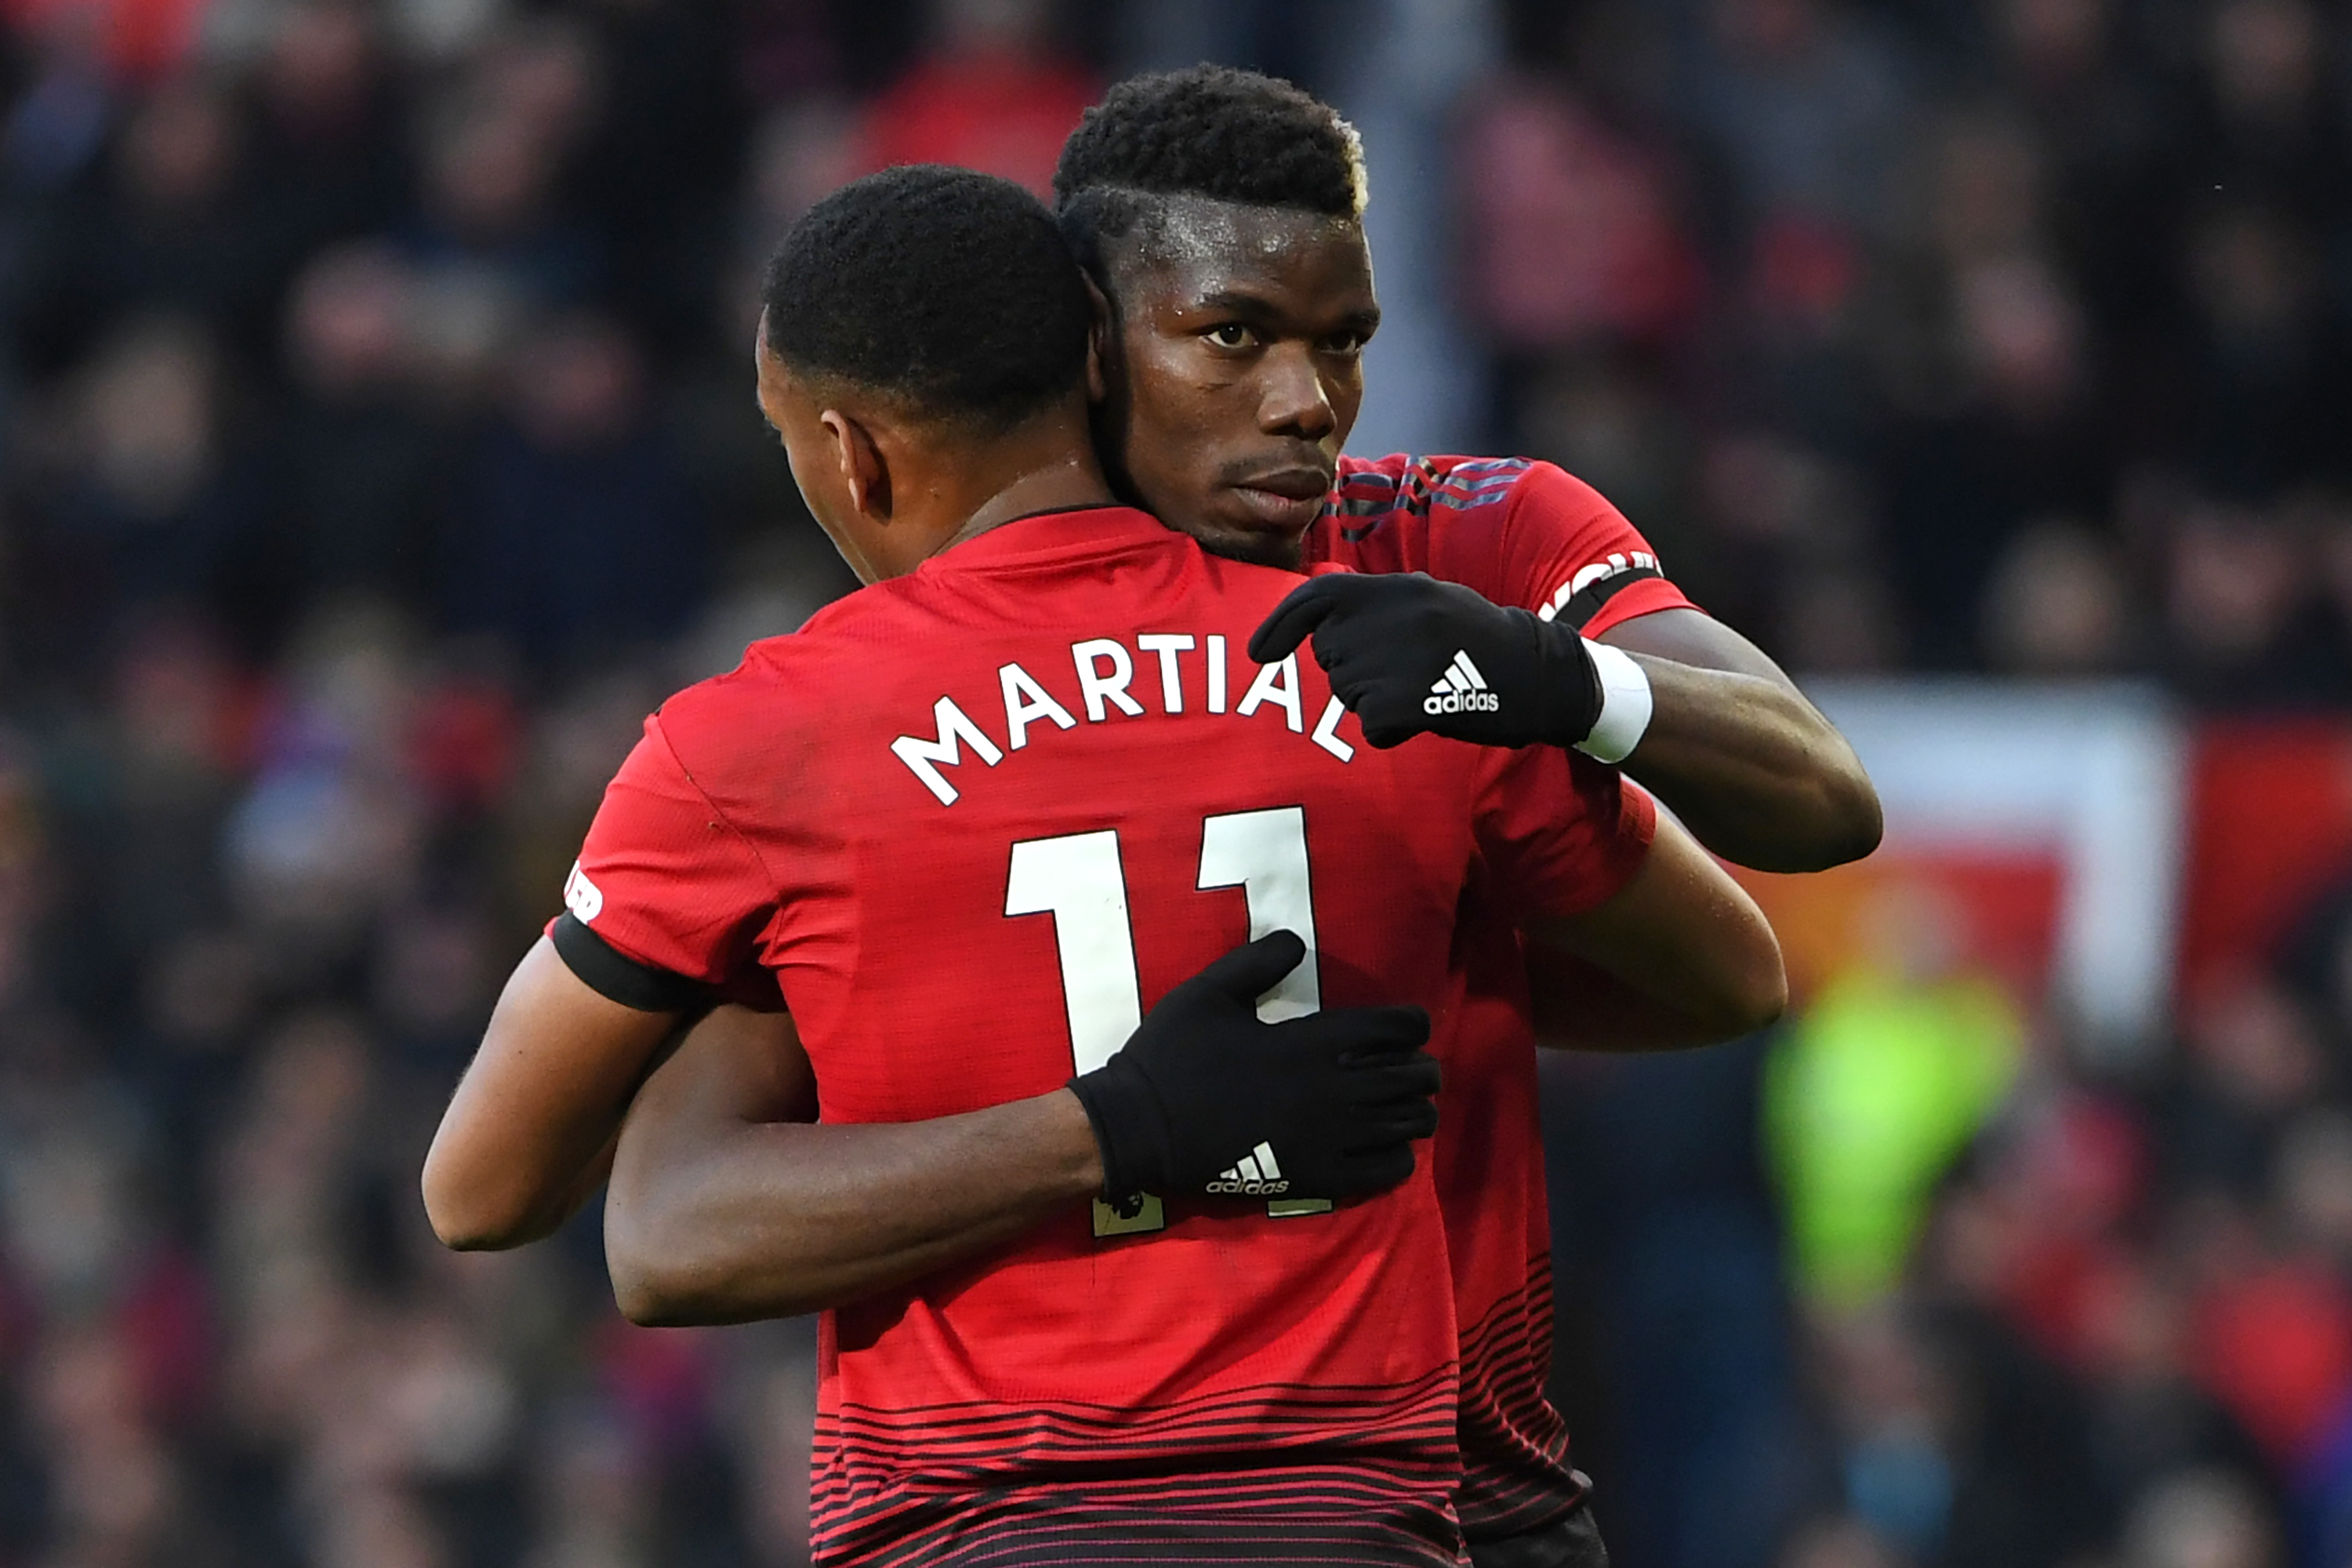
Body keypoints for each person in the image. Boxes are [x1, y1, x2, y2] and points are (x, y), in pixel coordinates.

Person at [427, 165, 1784, 1563]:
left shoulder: (761, 750)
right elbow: (1732, 974)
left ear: (852, 452)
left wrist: (1090, 1124)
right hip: (1368, 1519)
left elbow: (489, 1193)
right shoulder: (1385, 658)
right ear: (1095, 363)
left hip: (973, 1527)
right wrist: (1389, 964)